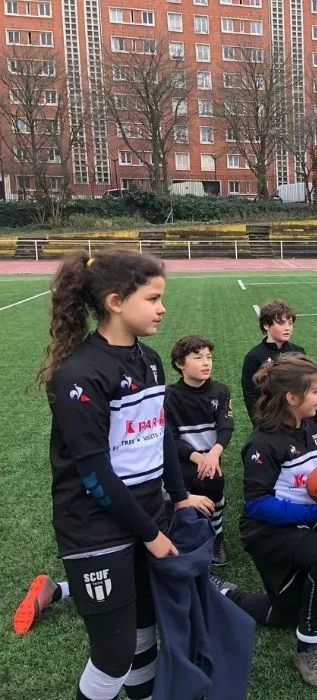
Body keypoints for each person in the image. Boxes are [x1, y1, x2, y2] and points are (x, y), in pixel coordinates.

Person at [34, 249, 196, 700]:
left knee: (145, 633)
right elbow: (94, 475)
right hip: (96, 529)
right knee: (113, 655)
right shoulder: (79, 374)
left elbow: (159, 431)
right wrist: (149, 533)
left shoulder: (150, 359)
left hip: (146, 516)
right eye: (153, 298)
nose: (162, 308)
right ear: (115, 302)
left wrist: (178, 497)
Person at [224, 353, 317, 690]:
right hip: (267, 532)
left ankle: (224, 594)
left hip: (305, 523)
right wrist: (316, 514)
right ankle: (308, 651)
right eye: (315, 390)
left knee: (286, 614)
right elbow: (258, 505)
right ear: (292, 398)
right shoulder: (263, 443)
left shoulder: (313, 424)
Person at [165, 334, 235, 565]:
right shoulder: (169, 396)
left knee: (215, 490)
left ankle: (216, 537)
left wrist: (214, 454)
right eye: (198, 357)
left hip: (211, 459)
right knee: (181, 499)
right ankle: (184, 534)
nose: (206, 362)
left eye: (209, 357)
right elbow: (170, 437)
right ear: (180, 364)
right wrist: (199, 458)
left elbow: (226, 426)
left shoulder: (220, 391)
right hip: (184, 460)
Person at [241, 299, 305, 423]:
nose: (288, 328)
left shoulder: (298, 351)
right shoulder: (254, 356)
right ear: (266, 325)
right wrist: (259, 422)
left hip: (296, 415)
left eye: (290, 323)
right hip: (270, 418)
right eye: (281, 323)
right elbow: (250, 395)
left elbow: (306, 384)